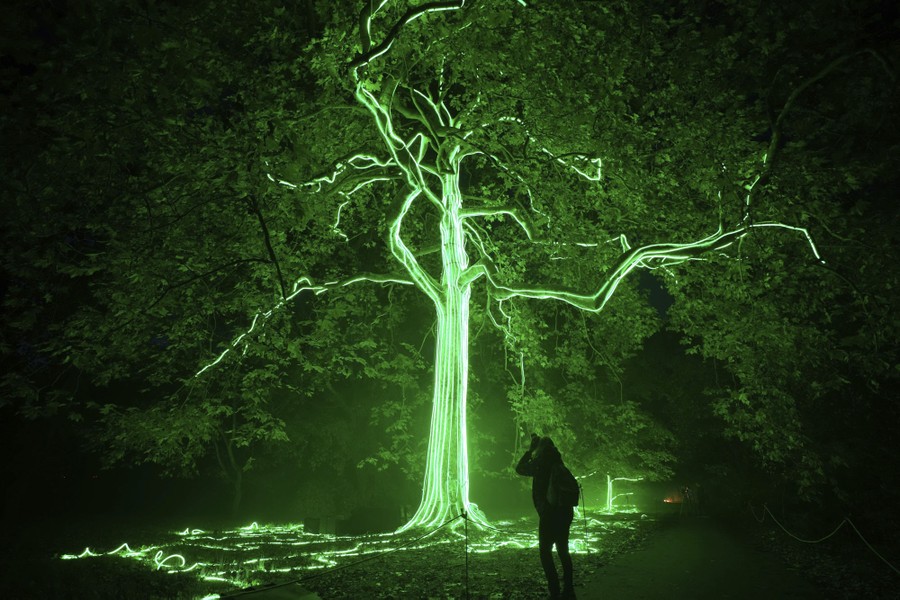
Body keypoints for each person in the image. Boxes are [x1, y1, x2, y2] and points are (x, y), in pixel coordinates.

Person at [516, 433, 576, 599]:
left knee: (545, 552)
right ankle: (569, 589)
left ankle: (555, 590)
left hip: (550, 513)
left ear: (540, 448)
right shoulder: (558, 461)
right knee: (563, 551)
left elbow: (520, 469)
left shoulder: (540, 463)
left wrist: (530, 451)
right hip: (565, 511)